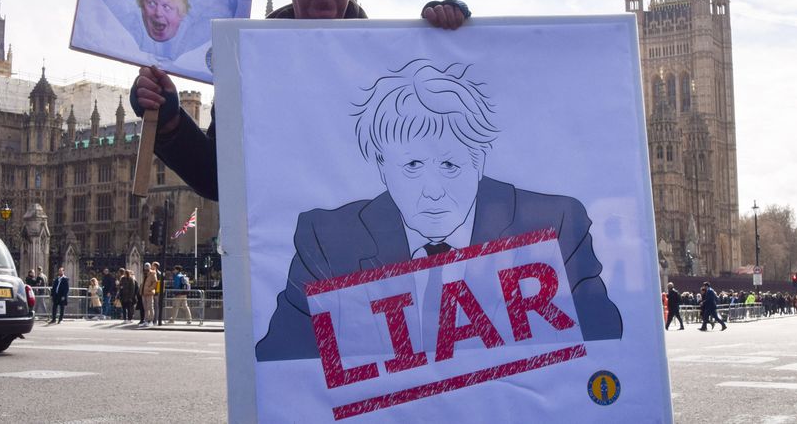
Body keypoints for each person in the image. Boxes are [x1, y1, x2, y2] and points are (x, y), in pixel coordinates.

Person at [255, 60, 622, 361]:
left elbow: (606, 350)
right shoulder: (328, 240)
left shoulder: (553, 227)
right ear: (383, 168)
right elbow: (282, 367)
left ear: (479, 162)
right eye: (412, 166)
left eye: (450, 166)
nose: (432, 192)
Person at [129, 0, 470, 202]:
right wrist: (171, 121)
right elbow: (219, 180)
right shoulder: (246, 62)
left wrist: (449, 41)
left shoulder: (394, 64)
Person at [141, 262, 158, 326]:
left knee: (150, 307)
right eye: (145, 267)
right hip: (144, 293)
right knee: (145, 308)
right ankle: (146, 320)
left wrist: (149, 288)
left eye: (147, 267)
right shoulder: (144, 273)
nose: (146, 268)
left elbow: (155, 282)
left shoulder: (153, 273)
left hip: (149, 293)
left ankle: (151, 321)